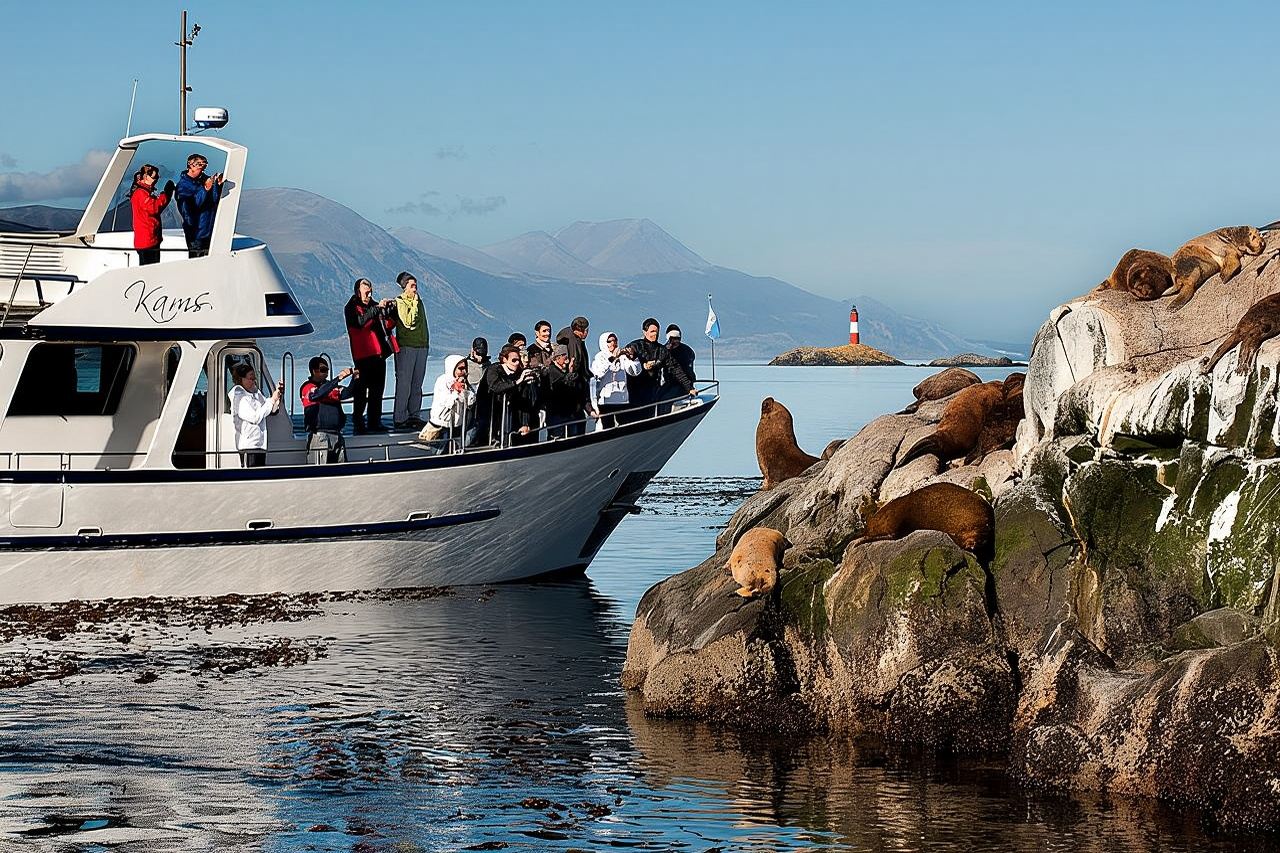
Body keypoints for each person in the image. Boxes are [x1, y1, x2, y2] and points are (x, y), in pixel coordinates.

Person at [344, 277, 399, 433]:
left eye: (370, 292)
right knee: (361, 393)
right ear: (358, 292)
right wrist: (376, 309)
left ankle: (375, 422)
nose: (369, 296)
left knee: (377, 391)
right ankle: (358, 423)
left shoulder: (374, 306)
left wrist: (391, 311)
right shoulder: (350, 308)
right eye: (366, 293)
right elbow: (359, 322)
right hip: (362, 357)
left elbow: (388, 325)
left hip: (378, 355)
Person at [626, 317, 695, 421]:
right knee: (633, 418)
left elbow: (675, 368)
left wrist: (689, 387)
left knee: (649, 417)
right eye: (652, 331)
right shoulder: (635, 346)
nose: (655, 334)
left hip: (652, 391)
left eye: (657, 332)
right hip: (634, 391)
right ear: (645, 332)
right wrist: (643, 366)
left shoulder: (662, 350)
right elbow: (626, 364)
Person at [475, 344, 538, 446]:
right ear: (504, 359)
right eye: (514, 360)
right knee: (479, 437)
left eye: (518, 360)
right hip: (488, 413)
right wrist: (517, 382)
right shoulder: (493, 370)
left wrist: (526, 423)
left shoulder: (519, 373)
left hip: (510, 416)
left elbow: (525, 400)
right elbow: (496, 387)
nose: (517, 363)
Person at [299, 357, 356, 463]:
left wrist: (355, 378)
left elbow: (347, 393)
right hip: (319, 435)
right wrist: (339, 378)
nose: (326, 373)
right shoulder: (308, 387)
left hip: (336, 434)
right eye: (323, 370)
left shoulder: (331, 387)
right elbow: (317, 395)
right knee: (319, 471)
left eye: (327, 370)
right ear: (314, 371)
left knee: (341, 470)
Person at [392, 271, 430, 429]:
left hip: (421, 345)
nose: (415, 289)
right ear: (404, 287)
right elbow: (408, 322)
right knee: (404, 383)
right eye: (412, 286)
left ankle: (414, 414)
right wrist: (414, 303)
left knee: (417, 384)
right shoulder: (400, 301)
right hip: (407, 346)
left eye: (416, 286)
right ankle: (400, 417)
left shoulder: (419, 301)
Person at [228, 362, 282, 468]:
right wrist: (272, 400)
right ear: (241, 379)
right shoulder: (239, 397)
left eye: (254, 379)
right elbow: (255, 417)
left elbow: (269, 409)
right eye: (250, 379)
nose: (253, 381)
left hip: (260, 444)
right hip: (249, 445)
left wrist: (277, 396)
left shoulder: (256, 393)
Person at [174, 152, 223, 258]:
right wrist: (205, 189)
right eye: (200, 166)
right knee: (197, 261)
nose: (203, 170)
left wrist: (217, 186)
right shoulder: (183, 186)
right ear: (191, 166)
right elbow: (189, 207)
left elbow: (213, 200)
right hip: (196, 232)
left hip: (208, 229)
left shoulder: (203, 180)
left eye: (204, 166)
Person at [425, 354, 476, 453]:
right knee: (439, 453)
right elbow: (447, 402)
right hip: (442, 425)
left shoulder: (464, 382)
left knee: (455, 451)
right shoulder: (442, 381)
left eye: (465, 368)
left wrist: (464, 390)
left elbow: (470, 401)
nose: (464, 372)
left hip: (457, 424)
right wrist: (456, 391)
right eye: (461, 368)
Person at [555, 316, 597, 435]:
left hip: (574, 392)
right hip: (574, 392)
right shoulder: (575, 343)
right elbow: (577, 366)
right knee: (576, 428)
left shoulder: (569, 339)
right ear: (581, 330)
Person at [591, 330, 642, 428]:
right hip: (606, 401)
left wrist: (632, 358)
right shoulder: (599, 357)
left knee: (625, 427)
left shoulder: (622, 356)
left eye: (615, 340)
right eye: (609, 341)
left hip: (622, 400)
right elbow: (599, 373)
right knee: (607, 428)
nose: (613, 343)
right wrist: (612, 358)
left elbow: (635, 372)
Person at [129, 164, 174, 266]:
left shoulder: (142, 192)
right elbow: (154, 208)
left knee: (151, 269)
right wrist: (165, 195)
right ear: (146, 177)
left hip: (149, 239)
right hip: (147, 240)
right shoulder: (141, 193)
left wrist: (166, 196)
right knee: (149, 270)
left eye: (157, 177)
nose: (156, 180)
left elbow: (156, 208)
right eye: (154, 177)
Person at [544, 343, 587, 438]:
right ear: (557, 358)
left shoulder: (564, 371)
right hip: (557, 414)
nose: (566, 361)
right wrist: (571, 373)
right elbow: (562, 383)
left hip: (569, 413)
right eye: (565, 357)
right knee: (557, 439)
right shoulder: (551, 371)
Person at [661, 323, 698, 402]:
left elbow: (684, 370)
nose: (675, 341)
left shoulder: (687, 351)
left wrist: (689, 386)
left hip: (683, 384)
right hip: (668, 383)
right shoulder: (663, 351)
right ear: (668, 339)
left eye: (677, 338)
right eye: (673, 339)